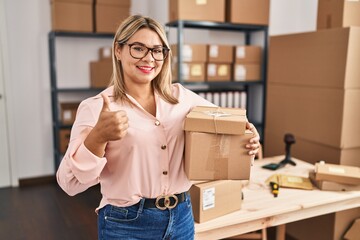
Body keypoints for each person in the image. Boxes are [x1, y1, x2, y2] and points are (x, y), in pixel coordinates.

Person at [56, 14, 260, 240]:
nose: (149, 58)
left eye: (157, 50)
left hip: (181, 216)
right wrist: (98, 138)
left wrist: (248, 138)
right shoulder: (97, 107)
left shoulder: (183, 98)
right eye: (138, 48)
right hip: (126, 224)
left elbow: (230, 127)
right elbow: (69, 183)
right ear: (118, 50)